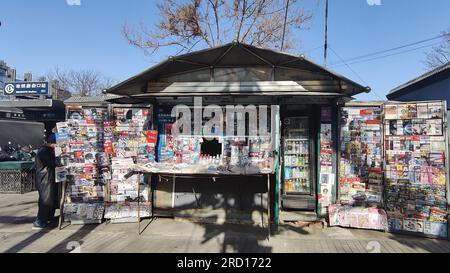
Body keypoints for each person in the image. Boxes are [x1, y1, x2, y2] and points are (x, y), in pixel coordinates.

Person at [33, 133, 58, 229]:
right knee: (45, 200)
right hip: (45, 180)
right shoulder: (44, 151)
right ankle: (40, 221)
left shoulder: (46, 150)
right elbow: (52, 163)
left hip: (47, 179)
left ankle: (47, 218)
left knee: (49, 200)